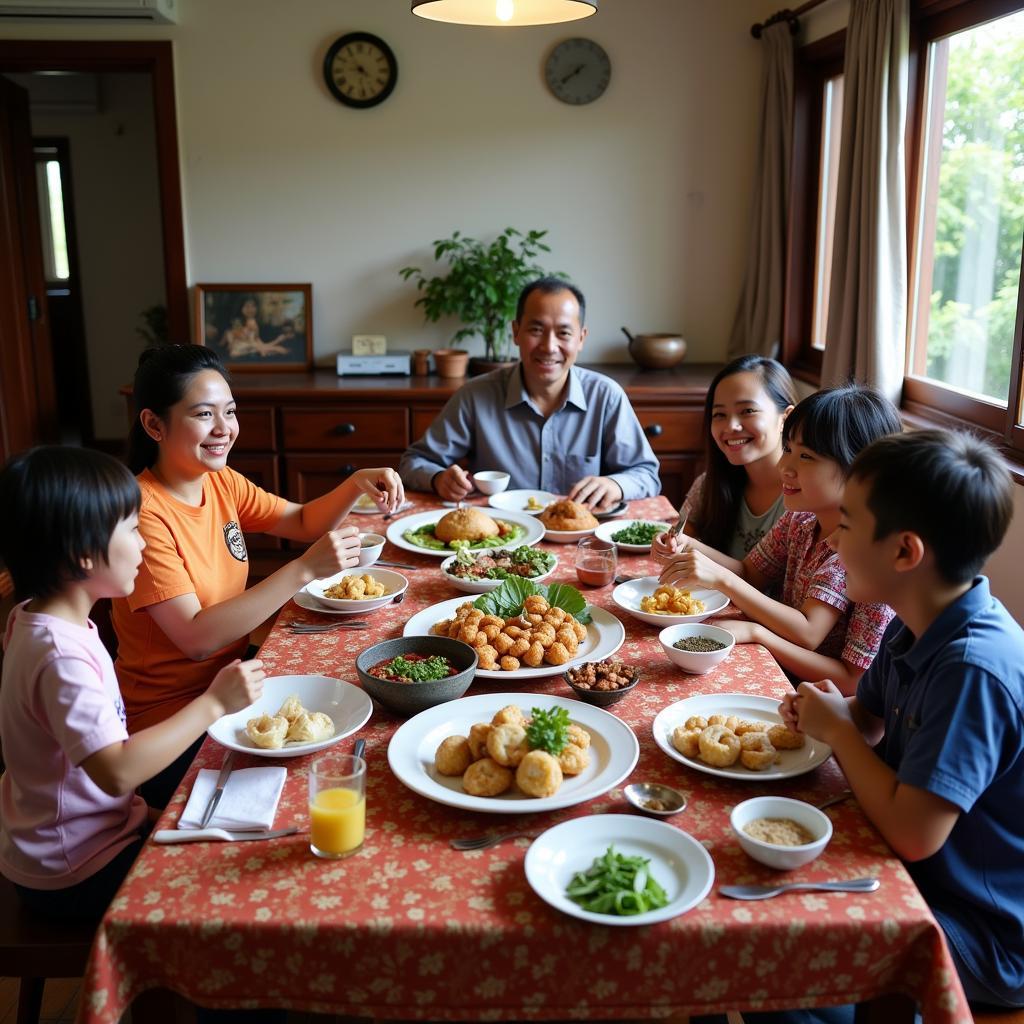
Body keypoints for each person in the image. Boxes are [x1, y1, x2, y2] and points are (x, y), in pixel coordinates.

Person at [782, 428, 1023, 1013]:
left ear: (904, 551)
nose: (834, 542)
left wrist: (837, 729)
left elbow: (916, 836)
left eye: (847, 525)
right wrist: (834, 714)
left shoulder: (973, 671)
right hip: (911, 872)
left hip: (977, 929)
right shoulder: (912, 619)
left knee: (782, 963)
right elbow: (867, 721)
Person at [112, 344, 403, 806]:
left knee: (351, 738)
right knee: (315, 783)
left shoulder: (219, 481)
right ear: (154, 424)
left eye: (230, 411)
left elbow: (304, 521)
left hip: (236, 683)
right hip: (172, 722)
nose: (224, 429)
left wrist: (355, 483)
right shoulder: (142, 515)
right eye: (204, 414)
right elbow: (196, 638)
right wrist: (304, 569)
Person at [0, 446, 264, 922]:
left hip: (98, 830)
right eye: (131, 530)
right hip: (78, 865)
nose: (144, 544)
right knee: (234, 906)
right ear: (83, 555)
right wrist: (213, 704)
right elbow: (118, 772)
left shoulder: (40, 619)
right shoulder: (61, 657)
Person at [658, 384, 902, 694]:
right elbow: (751, 574)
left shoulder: (865, 555)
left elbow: (836, 662)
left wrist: (758, 632)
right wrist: (689, 546)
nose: (784, 466)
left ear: (860, 469)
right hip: (780, 677)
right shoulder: (800, 521)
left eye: (806, 456)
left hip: (825, 705)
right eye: (788, 449)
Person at [398, 277, 661, 511]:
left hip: (582, 543)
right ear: (516, 332)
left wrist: (615, 484)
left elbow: (647, 474)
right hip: (500, 540)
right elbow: (414, 462)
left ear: (581, 338)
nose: (549, 346)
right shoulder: (475, 396)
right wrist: (438, 479)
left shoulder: (606, 396)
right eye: (536, 330)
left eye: (563, 333)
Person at [652, 355, 796, 561]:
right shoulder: (708, 485)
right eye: (720, 415)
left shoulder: (803, 498)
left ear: (786, 417)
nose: (730, 426)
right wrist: (668, 543)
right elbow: (680, 536)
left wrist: (690, 546)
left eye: (747, 411)